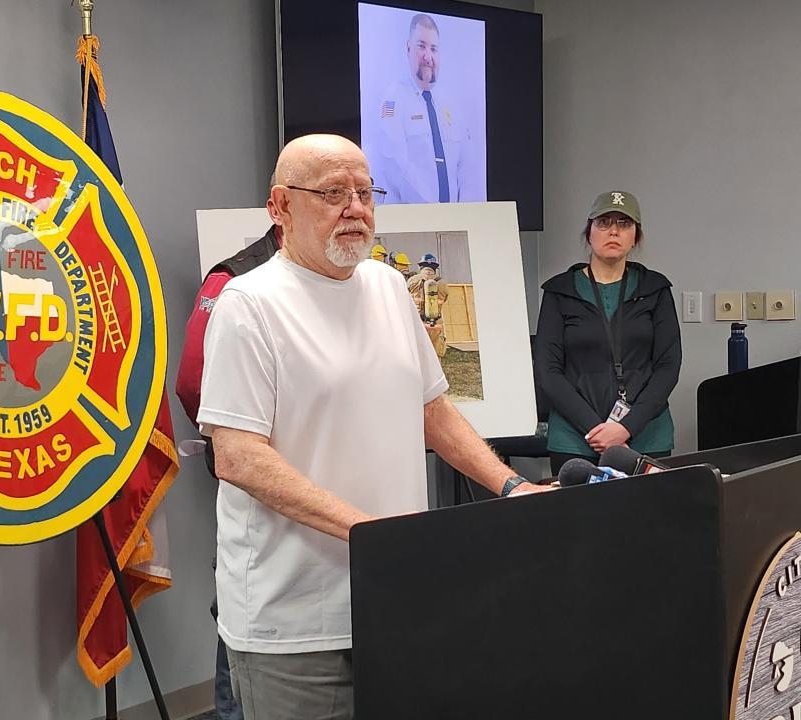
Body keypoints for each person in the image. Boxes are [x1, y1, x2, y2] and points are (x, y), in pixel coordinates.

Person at [197, 134, 548, 719]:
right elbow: (238, 457)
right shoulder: (248, 305)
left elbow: (431, 409)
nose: (355, 208)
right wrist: (373, 534)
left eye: (365, 192)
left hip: (395, 601)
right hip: (295, 620)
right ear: (280, 207)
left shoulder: (388, 287)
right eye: (333, 193)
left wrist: (510, 486)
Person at [176, 224, 282, 720]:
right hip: (260, 486)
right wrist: (239, 445)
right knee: (242, 613)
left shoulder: (356, 279)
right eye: (330, 196)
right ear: (283, 208)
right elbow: (193, 382)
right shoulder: (233, 278)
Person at [534, 190, 681, 476]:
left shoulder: (655, 289)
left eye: (624, 224)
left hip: (646, 433)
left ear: (635, 236)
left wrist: (625, 428)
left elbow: (668, 366)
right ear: (588, 232)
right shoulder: (559, 291)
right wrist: (599, 433)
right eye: (603, 223)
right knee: (580, 519)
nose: (613, 231)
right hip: (576, 438)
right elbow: (548, 370)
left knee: (646, 518)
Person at [369, 13, 483, 204]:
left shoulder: (451, 104)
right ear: (408, 48)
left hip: (453, 221)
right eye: (421, 46)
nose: (428, 56)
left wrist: (466, 215)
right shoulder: (393, 99)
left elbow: (467, 167)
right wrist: (434, 210)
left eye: (434, 49)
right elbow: (395, 164)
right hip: (413, 222)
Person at [407, 253, 449, 357]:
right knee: (435, 353)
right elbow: (445, 299)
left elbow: (405, 298)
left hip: (417, 323)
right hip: (436, 323)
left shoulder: (412, 280)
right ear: (435, 268)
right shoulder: (442, 283)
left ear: (420, 266)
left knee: (418, 354)